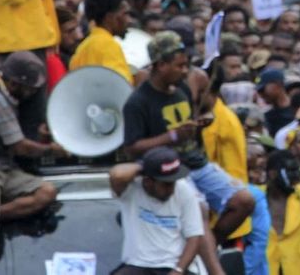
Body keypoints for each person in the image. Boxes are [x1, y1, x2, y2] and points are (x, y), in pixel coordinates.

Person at [122, 31, 256, 244]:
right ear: (161, 65)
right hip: (170, 170)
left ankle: (210, 246)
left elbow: (189, 120)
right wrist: (172, 136)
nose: (186, 71)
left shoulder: (183, 87)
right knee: (198, 210)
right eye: (180, 66)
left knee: (244, 200)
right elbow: (132, 147)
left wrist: (201, 122)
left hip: (197, 162)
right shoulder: (138, 102)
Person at [0, 51, 63, 264]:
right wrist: (50, 150)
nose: (31, 92)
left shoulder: (8, 96)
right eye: (29, 87)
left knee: (47, 192)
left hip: (5, 169)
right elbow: (20, 147)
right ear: (15, 83)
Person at [109, 146, 204, 275]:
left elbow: (194, 237)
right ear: (148, 182)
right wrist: (146, 165)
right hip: (137, 265)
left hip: (174, 266)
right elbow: (117, 175)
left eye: (174, 182)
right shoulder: (131, 190)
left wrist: (178, 270)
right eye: (166, 184)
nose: (172, 189)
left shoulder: (185, 191)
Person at [70, 0, 134, 84]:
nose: (129, 20)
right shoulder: (109, 46)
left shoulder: (83, 47)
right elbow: (120, 87)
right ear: (109, 18)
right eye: (125, 14)